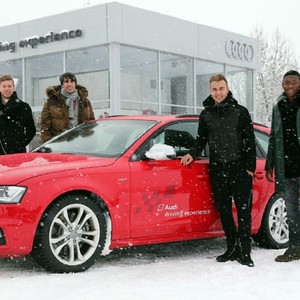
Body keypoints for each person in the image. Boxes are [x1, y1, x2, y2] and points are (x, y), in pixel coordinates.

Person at [181, 74, 256, 267]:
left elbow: (249, 140)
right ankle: (231, 248)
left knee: (243, 211)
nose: (218, 93)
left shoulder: (240, 112)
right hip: (217, 168)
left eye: (221, 89)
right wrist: (192, 153)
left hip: (239, 169)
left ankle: (245, 252)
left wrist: (250, 168)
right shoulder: (206, 114)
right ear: (210, 90)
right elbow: (201, 139)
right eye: (214, 89)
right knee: (223, 210)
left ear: (227, 88)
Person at [265, 70, 300, 262]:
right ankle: (295, 247)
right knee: (291, 208)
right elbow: (273, 136)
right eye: (286, 82)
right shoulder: (278, 106)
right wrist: (270, 163)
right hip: (286, 165)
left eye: (293, 81)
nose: (289, 85)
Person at [40, 72, 95, 143]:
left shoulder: (84, 101)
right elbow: (45, 125)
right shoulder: (51, 101)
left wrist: (90, 140)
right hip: (60, 142)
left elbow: (91, 123)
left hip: (81, 142)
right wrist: (48, 143)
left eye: (72, 81)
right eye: (66, 81)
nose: (69, 84)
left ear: (75, 84)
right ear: (62, 84)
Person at [0, 74, 36, 155]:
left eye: (9, 86)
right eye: (4, 86)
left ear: (14, 87)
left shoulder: (24, 107)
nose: (7, 89)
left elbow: (31, 129)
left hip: (17, 152)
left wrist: (21, 143)